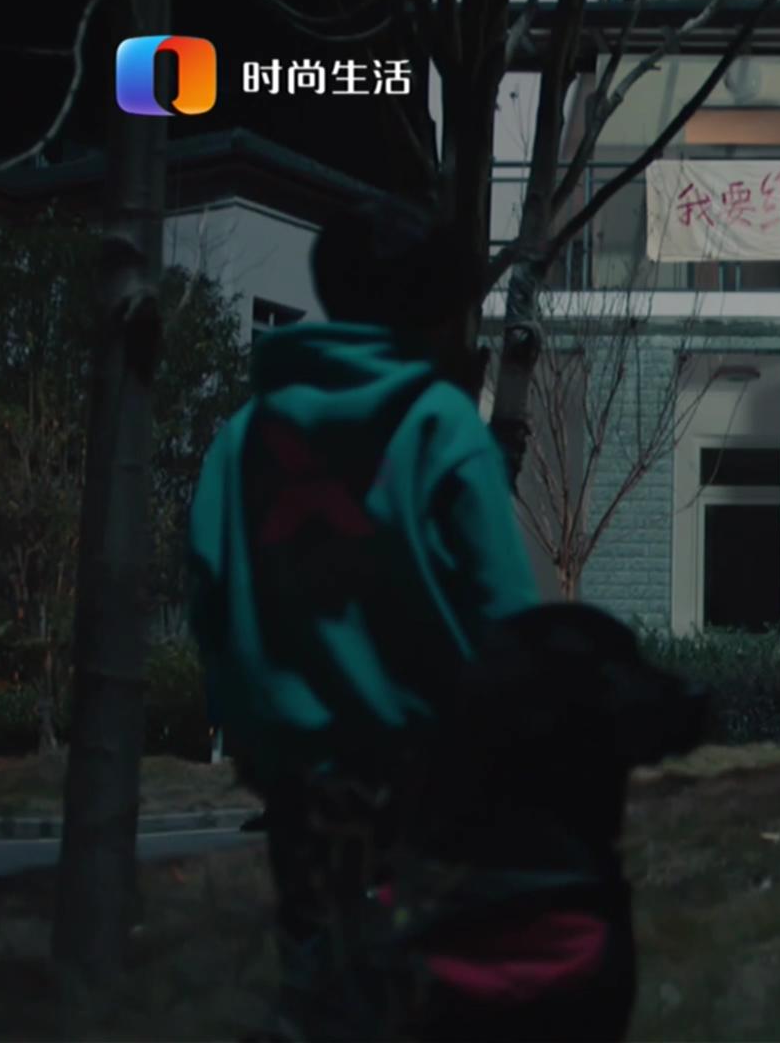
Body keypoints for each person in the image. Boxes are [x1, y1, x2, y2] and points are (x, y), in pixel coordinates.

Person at [188, 194, 540, 1040]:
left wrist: (250, 728)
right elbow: (507, 617)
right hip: (426, 775)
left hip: (296, 779)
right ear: (429, 310)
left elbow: (210, 593)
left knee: (318, 972)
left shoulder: (245, 436)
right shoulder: (441, 428)